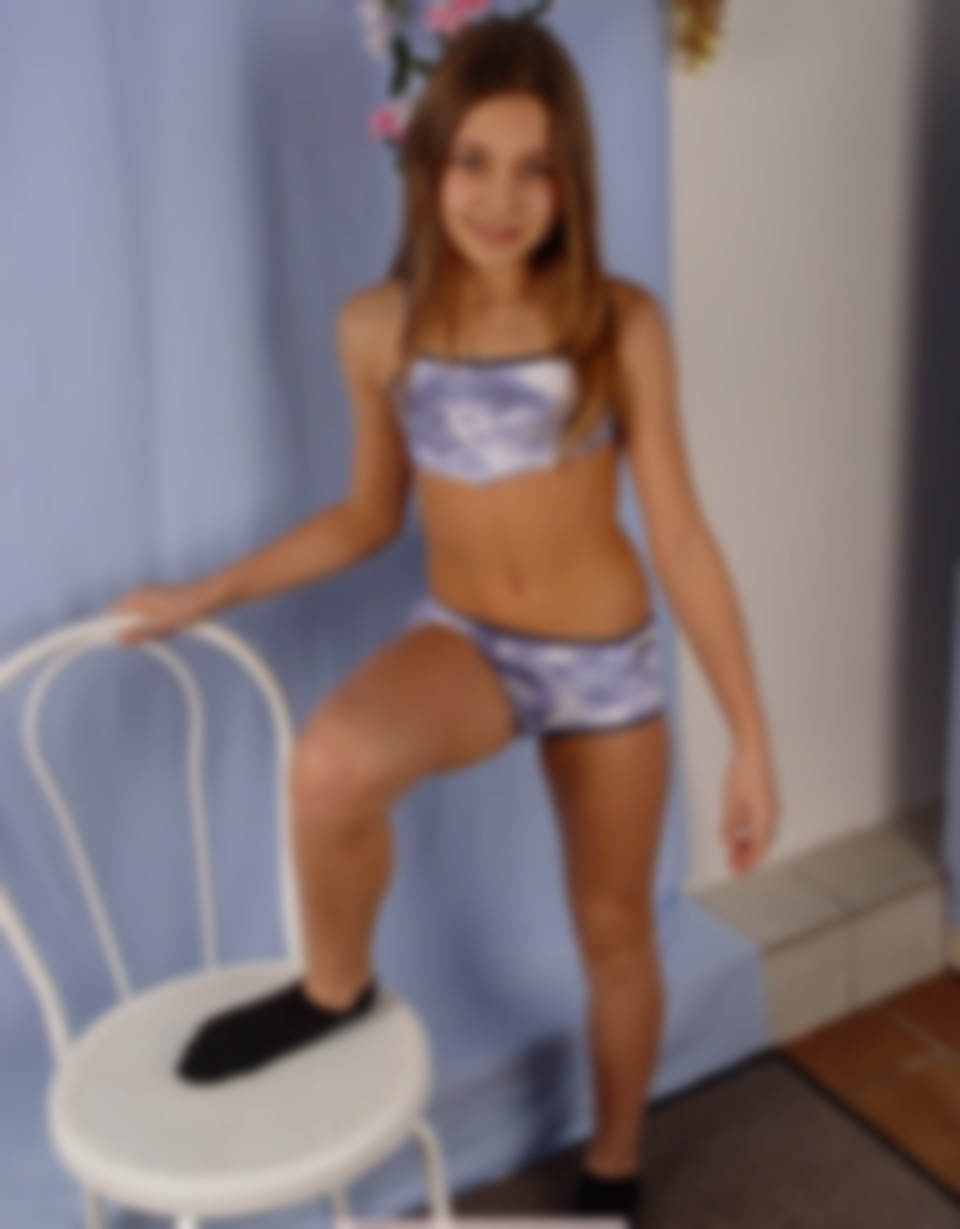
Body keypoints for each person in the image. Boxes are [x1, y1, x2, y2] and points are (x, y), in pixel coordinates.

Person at [107, 14, 780, 1227]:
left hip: (603, 668)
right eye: (474, 160)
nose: (500, 197)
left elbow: (680, 535)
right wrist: (208, 591)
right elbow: (367, 518)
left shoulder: (618, 322)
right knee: (328, 766)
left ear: (570, 180)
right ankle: (333, 987)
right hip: (469, 644)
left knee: (615, 930)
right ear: (428, 162)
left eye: (534, 167)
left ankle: (612, 1168)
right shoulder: (381, 327)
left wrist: (751, 736)